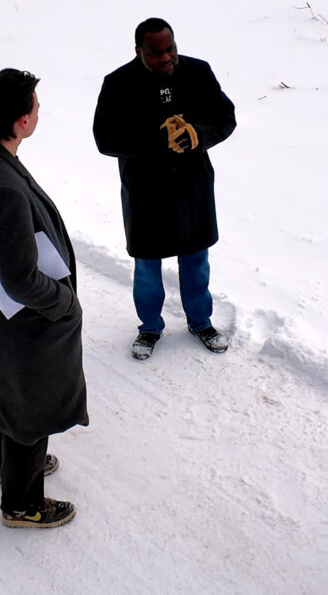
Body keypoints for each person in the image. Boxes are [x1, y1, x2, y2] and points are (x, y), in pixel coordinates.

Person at [0, 69, 89, 528]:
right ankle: (22, 503)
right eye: (34, 106)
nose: (39, 111)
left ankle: (2, 464)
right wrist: (62, 303)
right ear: (20, 122)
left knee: (11, 396)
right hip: (28, 321)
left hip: (1, 315)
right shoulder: (4, 187)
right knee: (30, 408)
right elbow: (19, 279)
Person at [94, 18, 236, 360]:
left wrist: (197, 135)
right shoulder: (118, 84)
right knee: (147, 264)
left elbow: (225, 117)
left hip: (192, 186)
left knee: (196, 260)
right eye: (156, 53)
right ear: (139, 51)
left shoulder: (198, 72)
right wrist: (156, 141)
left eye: (171, 48)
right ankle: (149, 326)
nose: (167, 57)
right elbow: (105, 139)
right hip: (146, 191)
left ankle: (201, 321)